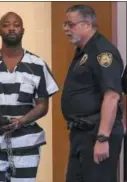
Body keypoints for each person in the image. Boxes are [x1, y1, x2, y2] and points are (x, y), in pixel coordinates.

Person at [0, 12, 59, 182]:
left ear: (23, 30)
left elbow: (42, 106)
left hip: (27, 141)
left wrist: (21, 121)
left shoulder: (38, 65)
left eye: (15, 25)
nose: (11, 28)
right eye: (6, 25)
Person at [61, 4, 125, 182]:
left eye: (70, 24)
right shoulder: (83, 52)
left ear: (87, 24)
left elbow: (112, 96)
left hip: (96, 133)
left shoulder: (102, 52)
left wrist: (103, 138)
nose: (66, 29)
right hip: (81, 134)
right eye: (64, 24)